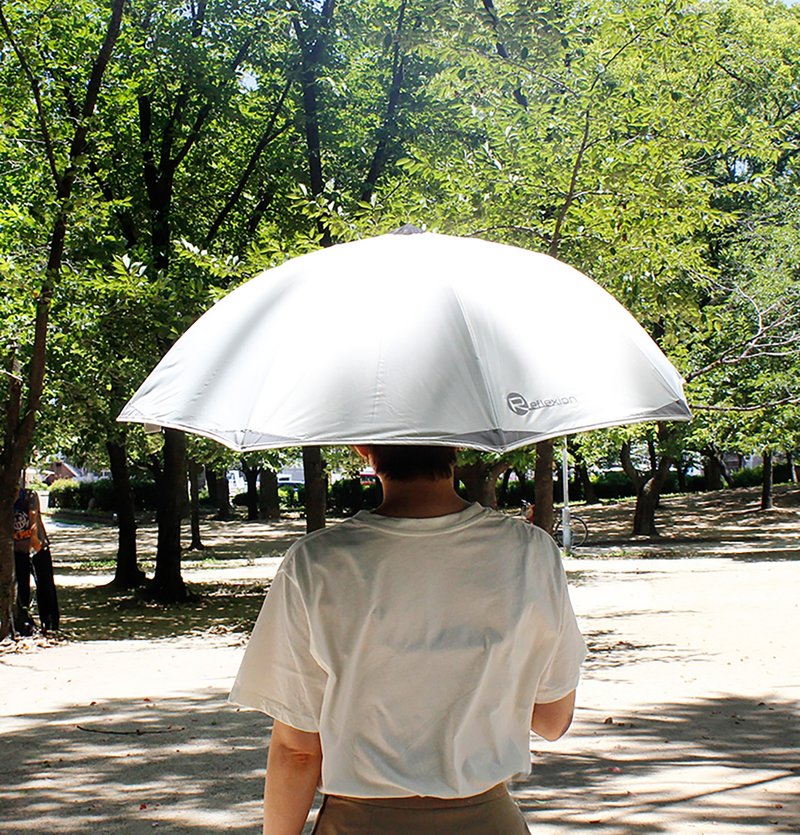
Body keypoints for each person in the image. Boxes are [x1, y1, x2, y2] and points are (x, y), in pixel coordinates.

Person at [230, 445, 585, 835]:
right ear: (459, 440)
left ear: (362, 447)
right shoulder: (531, 553)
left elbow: (297, 752)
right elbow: (552, 720)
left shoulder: (315, 564)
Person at [13, 485, 59, 634]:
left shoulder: (28, 496)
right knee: (21, 589)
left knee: (46, 586)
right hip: (18, 551)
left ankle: (51, 624)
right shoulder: (5, 500)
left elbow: (33, 516)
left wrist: (35, 543)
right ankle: (23, 622)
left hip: (38, 547)